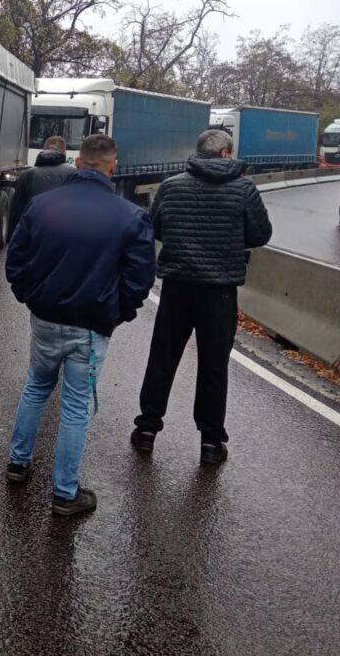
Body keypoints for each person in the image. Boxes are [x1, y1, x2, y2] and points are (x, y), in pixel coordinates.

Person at [5, 134, 156, 516]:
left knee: (36, 385)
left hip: (44, 317)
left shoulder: (42, 206)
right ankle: (64, 493)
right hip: (90, 327)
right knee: (74, 406)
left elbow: (16, 259)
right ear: (113, 165)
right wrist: (115, 313)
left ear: (78, 161)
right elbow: (139, 279)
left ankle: (18, 463)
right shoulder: (129, 216)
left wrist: (31, 297)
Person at [131, 129, 272, 464]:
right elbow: (260, 234)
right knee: (213, 366)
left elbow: (156, 228)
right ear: (225, 153)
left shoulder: (172, 186)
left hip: (178, 286)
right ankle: (210, 442)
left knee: (162, 360)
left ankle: (147, 429)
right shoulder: (243, 189)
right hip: (219, 292)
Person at [7, 136, 76, 237]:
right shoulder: (74, 173)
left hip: (34, 233)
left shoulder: (27, 175)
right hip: (64, 234)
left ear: (44, 150)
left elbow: (16, 213)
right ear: (64, 152)